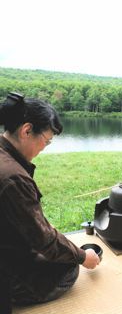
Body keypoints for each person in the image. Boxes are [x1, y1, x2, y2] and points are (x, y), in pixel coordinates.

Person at [0, 92, 100, 314]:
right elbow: (44, 240)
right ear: (27, 130)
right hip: (8, 274)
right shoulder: (13, 177)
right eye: (46, 141)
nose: (44, 148)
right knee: (70, 267)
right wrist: (84, 257)